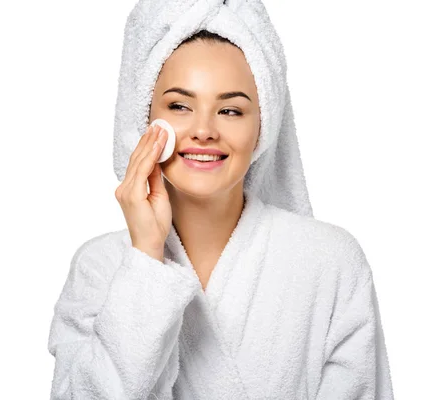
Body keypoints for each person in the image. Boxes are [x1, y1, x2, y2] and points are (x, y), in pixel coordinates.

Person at [48, 1, 394, 399]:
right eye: (179, 106)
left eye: (230, 110)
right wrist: (145, 257)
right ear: (144, 116)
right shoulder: (100, 267)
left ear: (263, 126)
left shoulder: (329, 262)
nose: (204, 130)